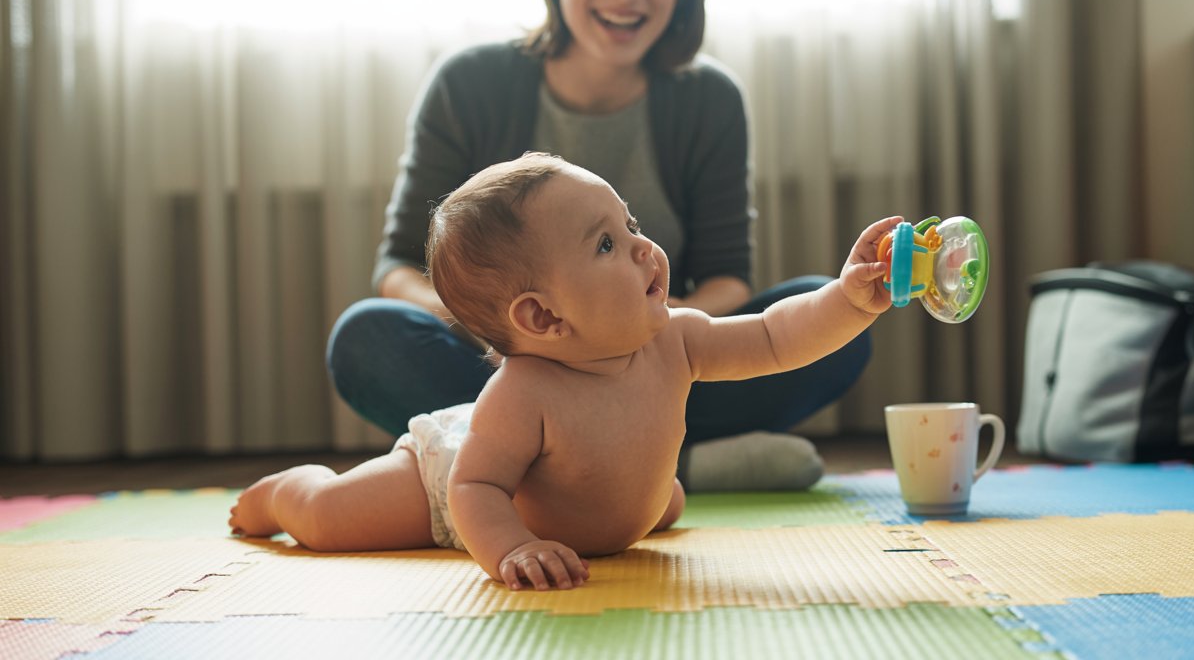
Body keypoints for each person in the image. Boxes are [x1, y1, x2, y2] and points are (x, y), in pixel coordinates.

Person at [325, 0, 872, 492]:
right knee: (367, 336)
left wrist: (633, 331)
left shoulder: (710, 99)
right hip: (509, 372)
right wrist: (516, 334)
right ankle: (655, 467)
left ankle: (617, 462)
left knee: (832, 315)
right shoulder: (469, 84)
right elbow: (397, 269)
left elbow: (728, 279)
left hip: (657, 366)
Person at [232, 154, 900, 590]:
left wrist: (845, 298)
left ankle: (635, 500)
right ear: (544, 318)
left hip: (603, 508)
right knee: (328, 521)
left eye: (629, 222)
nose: (642, 246)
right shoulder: (521, 394)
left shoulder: (676, 338)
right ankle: (284, 490)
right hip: (450, 480)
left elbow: (776, 337)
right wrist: (511, 549)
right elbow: (476, 487)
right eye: (607, 244)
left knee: (662, 501)